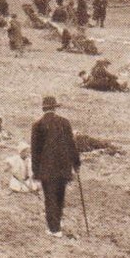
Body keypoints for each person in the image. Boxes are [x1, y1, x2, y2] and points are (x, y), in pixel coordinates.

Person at [31, 96, 81, 238]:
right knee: (60, 196)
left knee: (50, 197)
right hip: (63, 168)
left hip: (46, 169)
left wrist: (35, 172)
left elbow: (35, 151)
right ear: (55, 108)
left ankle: (54, 229)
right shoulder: (65, 123)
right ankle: (57, 223)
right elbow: (72, 146)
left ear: (44, 108)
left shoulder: (37, 125)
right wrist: (76, 164)